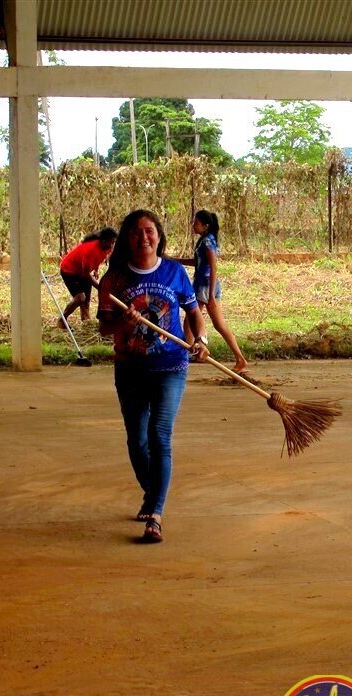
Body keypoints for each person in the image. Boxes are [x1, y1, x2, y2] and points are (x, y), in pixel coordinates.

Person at [97, 210, 208, 544]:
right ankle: (153, 491)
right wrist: (124, 323)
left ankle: (156, 514)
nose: (143, 237)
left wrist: (201, 340)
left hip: (171, 366)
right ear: (127, 239)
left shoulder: (174, 272)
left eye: (149, 231)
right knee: (137, 441)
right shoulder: (114, 279)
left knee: (159, 435)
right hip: (130, 369)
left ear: (159, 236)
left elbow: (194, 312)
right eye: (135, 232)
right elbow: (104, 329)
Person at [175, 210, 250, 373]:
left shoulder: (208, 241)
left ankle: (187, 352)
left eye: (196, 223)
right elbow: (197, 262)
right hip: (205, 285)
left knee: (191, 318)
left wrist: (210, 295)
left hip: (205, 286)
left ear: (205, 226)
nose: (193, 225)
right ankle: (239, 358)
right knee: (217, 323)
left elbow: (213, 267)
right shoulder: (204, 240)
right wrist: (174, 260)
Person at [58, 227, 117, 327]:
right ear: (103, 241)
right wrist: (100, 288)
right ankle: (62, 319)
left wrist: (96, 270)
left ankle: (86, 322)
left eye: (113, 242)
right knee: (80, 298)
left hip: (82, 271)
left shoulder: (106, 248)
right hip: (69, 270)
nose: (112, 245)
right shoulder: (90, 249)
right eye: (110, 242)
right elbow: (86, 274)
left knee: (86, 301)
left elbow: (98, 258)